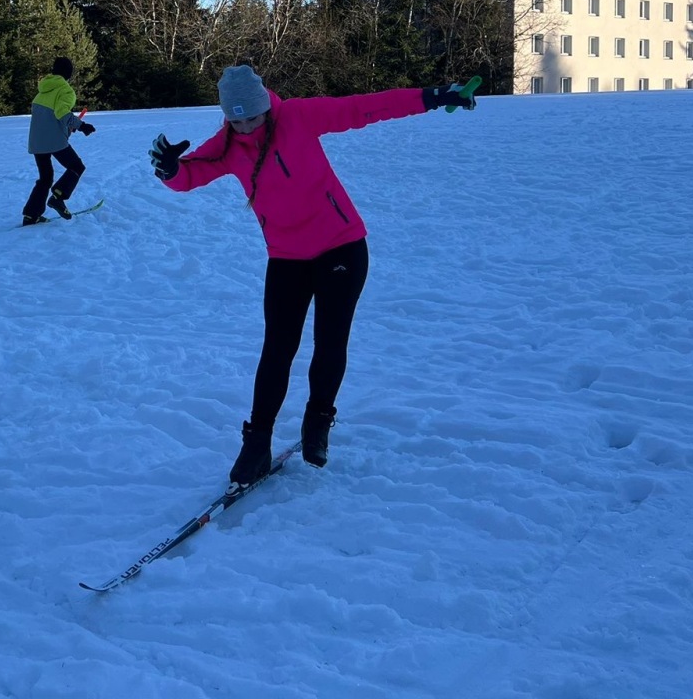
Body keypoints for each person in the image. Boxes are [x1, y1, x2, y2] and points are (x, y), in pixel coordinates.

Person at [148, 63, 477, 485]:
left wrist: (431, 97)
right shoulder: (229, 143)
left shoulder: (298, 117)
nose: (246, 128)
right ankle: (256, 442)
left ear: (265, 105)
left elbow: (365, 108)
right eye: (236, 120)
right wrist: (170, 170)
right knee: (277, 348)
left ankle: (318, 419)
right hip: (286, 257)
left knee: (330, 340)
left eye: (252, 117)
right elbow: (192, 173)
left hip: (341, 246)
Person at [21, 56, 95, 225]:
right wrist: (82, 126)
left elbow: (49, 117)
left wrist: (67, 126)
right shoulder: (66, 91)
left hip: (36, 142)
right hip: (54, 142)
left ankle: (31, 215)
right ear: (69, 74)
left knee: (45, 178)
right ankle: (58, 197)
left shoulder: (42, 90)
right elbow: (61, 113)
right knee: (77, 167)